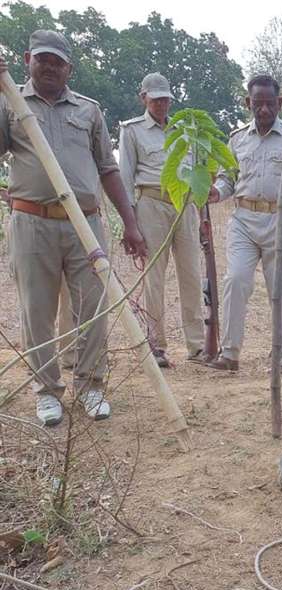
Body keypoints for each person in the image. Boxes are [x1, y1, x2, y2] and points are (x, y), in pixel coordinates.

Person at [0, 30, 147, 426]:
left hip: (86, 224)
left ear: (69, 68)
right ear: (27, 58)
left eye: (57, 62)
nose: (49, 67)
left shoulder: (88, 110)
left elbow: (108, 168)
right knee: (37, 311)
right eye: (42, 59)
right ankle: (46, 392)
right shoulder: (10, 101)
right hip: (32, 223)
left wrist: (130, 224)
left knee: (93, 309)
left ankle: (91, 385)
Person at [208, 74, 282, 374]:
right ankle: (230, 353)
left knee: (280, 292)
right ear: (248, 103)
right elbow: (228, 179)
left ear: (280, 103)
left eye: (270, 104)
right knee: (235, 280)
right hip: (244, 221)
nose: (263, 110)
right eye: (257, 104)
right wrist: (215, 192)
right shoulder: (236, 139)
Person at [119, 73, 204, 368]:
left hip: (184, 205)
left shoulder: (185, 129)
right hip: (150, 204)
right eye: (156, 99)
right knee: (154, 277)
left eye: (166, 98)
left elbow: (196, 172)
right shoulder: (132, 131)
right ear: (144, 98)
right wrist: (130, 224)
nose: (162, 104)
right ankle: (156, 345)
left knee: (192, 274)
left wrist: (201, 212)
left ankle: (198, 346)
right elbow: (125, 177)